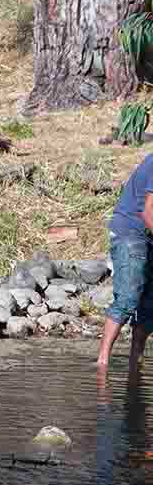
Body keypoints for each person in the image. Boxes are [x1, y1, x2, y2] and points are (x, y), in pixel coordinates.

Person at [97, 153, 153, 375]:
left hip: (149, 235)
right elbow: (148, 212)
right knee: (129, 297)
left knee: (150, 304)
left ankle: (135, 361)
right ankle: (102, 361)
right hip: (131, 231)